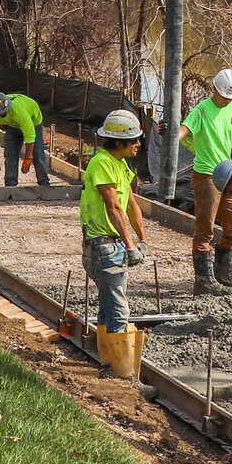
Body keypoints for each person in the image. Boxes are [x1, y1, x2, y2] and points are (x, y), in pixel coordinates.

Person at [80, 108, 150, 378]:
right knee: (118, 310)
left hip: (114, 245)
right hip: (103, 245)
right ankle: (123, 376)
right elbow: (113, 208)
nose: (138, 144)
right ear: (117, 141)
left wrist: (142, 238)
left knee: (108, 306)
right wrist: (130, 246)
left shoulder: (121, 166)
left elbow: (131, 204)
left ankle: (108, 363)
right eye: (133, 140)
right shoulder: (101, 163)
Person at [179, 68, 232, 296]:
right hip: (207, 175)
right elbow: (184, 130)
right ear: (214, 89)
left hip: (230, 173)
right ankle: (204, 281)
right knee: (205, 229)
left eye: (231, 97)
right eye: (224, 96)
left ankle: (224, 275)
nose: (227, 100)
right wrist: (171, 134)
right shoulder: (201, 111)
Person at [0, 91, 52, 187]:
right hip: (13, 124)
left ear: (3, 111)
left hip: (33, 121)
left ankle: (44, 184)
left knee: (38, 154)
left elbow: (30, 134)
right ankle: (10, 185)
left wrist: (27, 158)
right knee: (10, 154)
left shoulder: (18, 111)